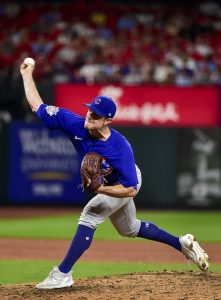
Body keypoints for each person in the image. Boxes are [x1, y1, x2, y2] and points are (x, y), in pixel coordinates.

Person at [20, 60, 209, 289]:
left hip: (126, 182)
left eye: (96, 114)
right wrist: (27, 74)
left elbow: (130, 188)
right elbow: (37, 107)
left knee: (89, 215)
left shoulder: (119, 148)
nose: (90, 115)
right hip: (113, 184)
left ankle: (62, 273)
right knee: (129, 229)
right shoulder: (76, 124)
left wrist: (101, 189)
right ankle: (182, 243)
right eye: (90, 109)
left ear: (107, 120)